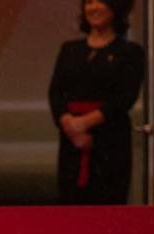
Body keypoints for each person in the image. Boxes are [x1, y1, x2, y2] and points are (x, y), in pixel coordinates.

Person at [48, 0, 144, 204]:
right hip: (72, 140)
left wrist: (83, 123)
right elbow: (56, 93)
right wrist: (70, 125)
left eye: (101, 1)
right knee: (71, 204)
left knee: (109, 201)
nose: (94, 7)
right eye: (89, 2)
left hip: (110, 138)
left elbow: (125, 97)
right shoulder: (70, 49)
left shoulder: (130, 52)